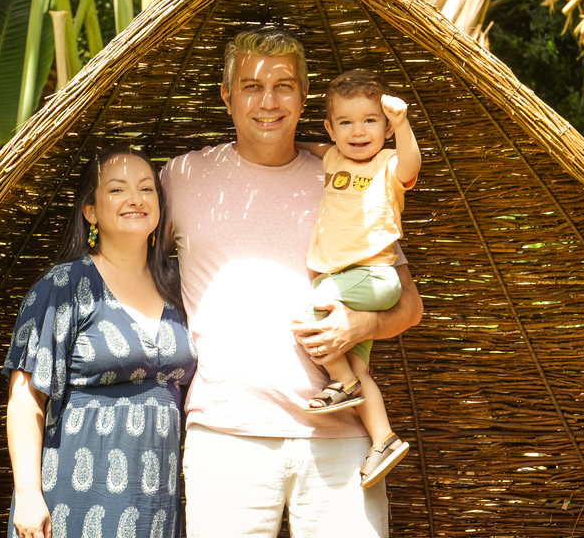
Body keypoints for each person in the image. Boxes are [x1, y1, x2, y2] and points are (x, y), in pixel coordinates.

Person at [161, 26, 424, 538]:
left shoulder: (349, 177)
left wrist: (363, 322)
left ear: (304, 98)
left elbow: (409, 302)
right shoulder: (182, 179)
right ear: (226, 96)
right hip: (226, 434)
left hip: (341, 441)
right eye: (251, 86)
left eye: (284, 85)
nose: (268, 101)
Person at [3, 147, 196, 538]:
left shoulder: (180, 285)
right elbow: (26, 398)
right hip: (73, 497)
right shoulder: (64, 285)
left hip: (156, 504)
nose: (135, 199)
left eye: (147, 189)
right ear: (90, 211)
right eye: (117, 190)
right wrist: (27, 493)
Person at [299, 69, 421, 489]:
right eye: (346, 122)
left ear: (385, 127)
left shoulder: (387, 163)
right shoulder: (331, 156)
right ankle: (383, 438)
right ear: (331, 128)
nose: (358, 131)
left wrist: (403, 125)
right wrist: (286, 143)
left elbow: (410, 164)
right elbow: (310, 148)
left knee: (309, 315)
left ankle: (344, 385)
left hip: (375, 277)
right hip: (352, 284)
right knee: (355, 361)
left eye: (370, 120)